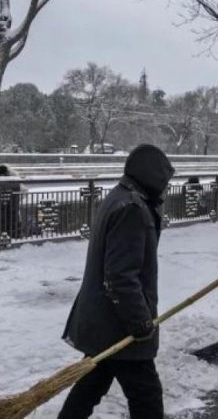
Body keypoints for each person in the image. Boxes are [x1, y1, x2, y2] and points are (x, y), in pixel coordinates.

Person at [58, 144, 174, 419]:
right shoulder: (132, 209)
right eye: (164, 181)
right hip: (119, 324)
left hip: (103, 320)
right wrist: (140, 323)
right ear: (152, 177)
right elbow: (121, 276)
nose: (166, 188)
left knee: (91, 384)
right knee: (146, 395)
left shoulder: (120, 197)